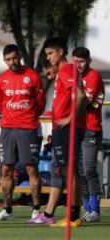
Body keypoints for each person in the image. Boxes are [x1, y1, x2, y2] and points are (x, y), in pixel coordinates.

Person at [30, 37, 86, 227]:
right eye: (47, 54)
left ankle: (73, 216)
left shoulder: (67, 70)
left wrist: (70, 118)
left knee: (69, 172)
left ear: (60, 52)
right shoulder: (62, 73)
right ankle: (72, 215)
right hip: (61, 128)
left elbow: (80, 95)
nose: (49, 57)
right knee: (67, 171)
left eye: (50, 53)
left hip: (67, 128)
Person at [0, 44, 46, 222]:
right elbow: (0, 104)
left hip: (27, 128)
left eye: (14, 58)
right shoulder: (1, 80)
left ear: (19, 56)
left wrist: (28, 117)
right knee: (6, 169)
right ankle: (7, 209)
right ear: (4, 60)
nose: (12, 62)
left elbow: (40, 103)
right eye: (8, 59)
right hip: (7, 128)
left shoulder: (32, 75)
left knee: (31, 168)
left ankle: (37, 209)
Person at [72, 47, 104, 222]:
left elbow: (84, 102)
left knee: (89, 169)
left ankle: (96, 210)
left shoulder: (93, 76)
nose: (78, 65)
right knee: (78, 171)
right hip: (76, 128)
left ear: (89, 61)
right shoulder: (71, 75)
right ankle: (88, 209)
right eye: (75, 61)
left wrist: (76, 86)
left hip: (91, 128)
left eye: (82, 62)